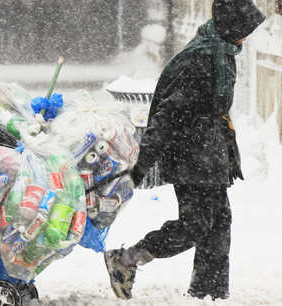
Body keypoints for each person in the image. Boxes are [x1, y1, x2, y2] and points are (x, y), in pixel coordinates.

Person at [104, 0, 266, 301]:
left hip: (210, 155)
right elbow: (167, 117)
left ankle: (209, 290)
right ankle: (125, 260)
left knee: (219, 223)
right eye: (243, 30)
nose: (245, 38)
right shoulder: (199, 60)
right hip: (192, 157)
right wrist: (141, 166)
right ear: (230, 25)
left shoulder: (222, 52)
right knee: (196, 225)